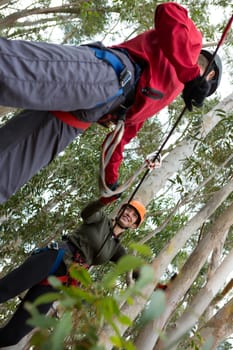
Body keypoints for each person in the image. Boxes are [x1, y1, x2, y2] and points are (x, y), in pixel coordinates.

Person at [0, 2, 222, 203]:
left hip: (85, 115)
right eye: (205, 80)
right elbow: (168, 12)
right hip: (110, 74)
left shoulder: (164, 97)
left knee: (12, 167)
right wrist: (190, 73)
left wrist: (111, 183)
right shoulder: (192, 42)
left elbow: (122, 136)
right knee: (13, 72)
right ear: (209, 73)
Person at [0, 198, 146, 347]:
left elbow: (135, 269)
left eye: (134, 215)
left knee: (14, 335)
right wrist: (105, 199)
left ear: (134, 226)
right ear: (121, 210)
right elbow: (87, 212)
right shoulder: (100, 218)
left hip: (62, 279)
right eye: (128, 209)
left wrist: (157, 283)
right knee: (4, 290)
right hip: (54, 258)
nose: (129, 214)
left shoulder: (116, 249)